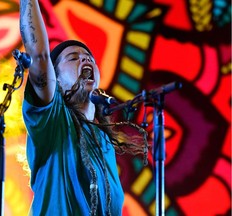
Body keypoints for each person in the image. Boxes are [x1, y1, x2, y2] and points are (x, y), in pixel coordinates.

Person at [19, 1, 147, 215]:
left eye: (88, 58)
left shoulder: (103, 139)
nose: (84, 59)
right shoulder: (53, 119)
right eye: (73, 58)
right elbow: (39, 56)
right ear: (56, 80)